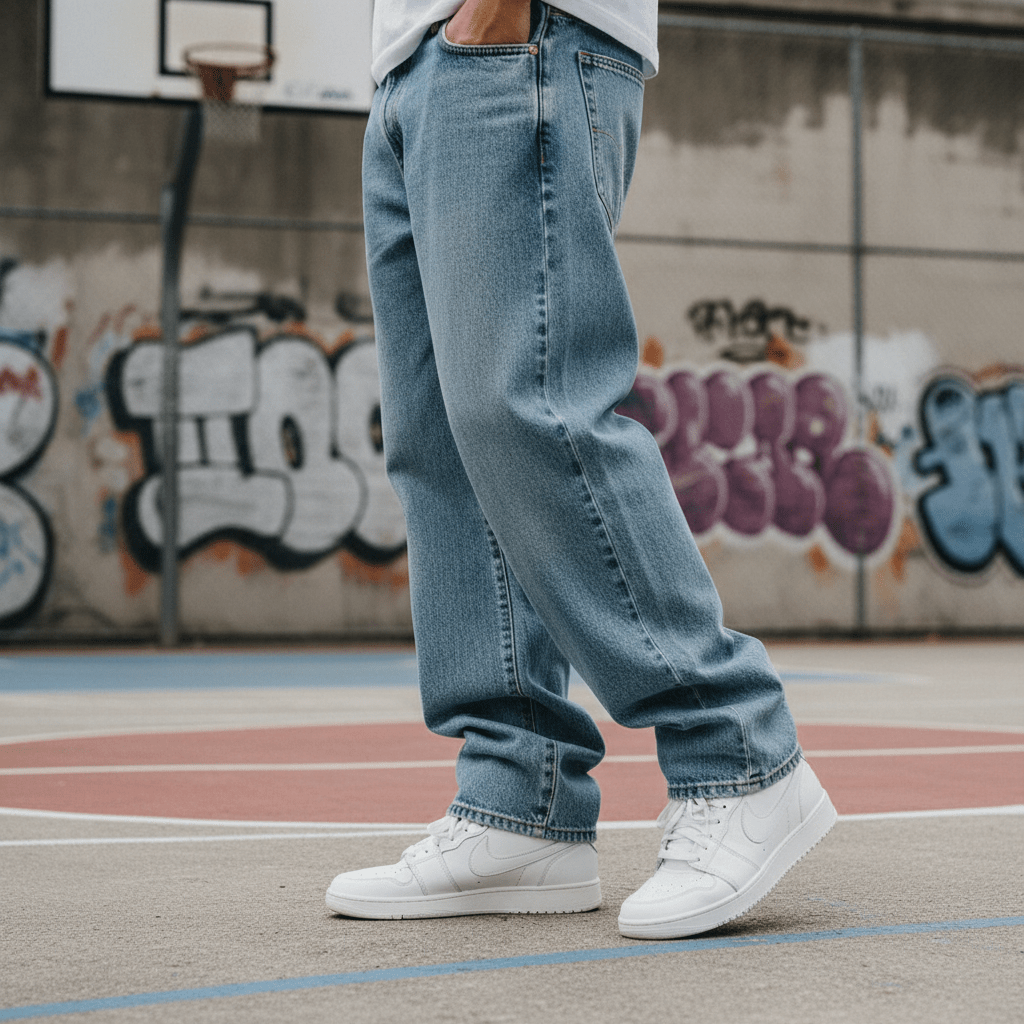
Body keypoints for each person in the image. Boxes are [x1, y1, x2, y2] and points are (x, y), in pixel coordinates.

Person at [326, 0, 836, 939]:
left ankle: (739, 752)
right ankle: (521, 798)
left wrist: (492, 13)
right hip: (410, 71)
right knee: (443, 444)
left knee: (532, 406)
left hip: (518, 36)